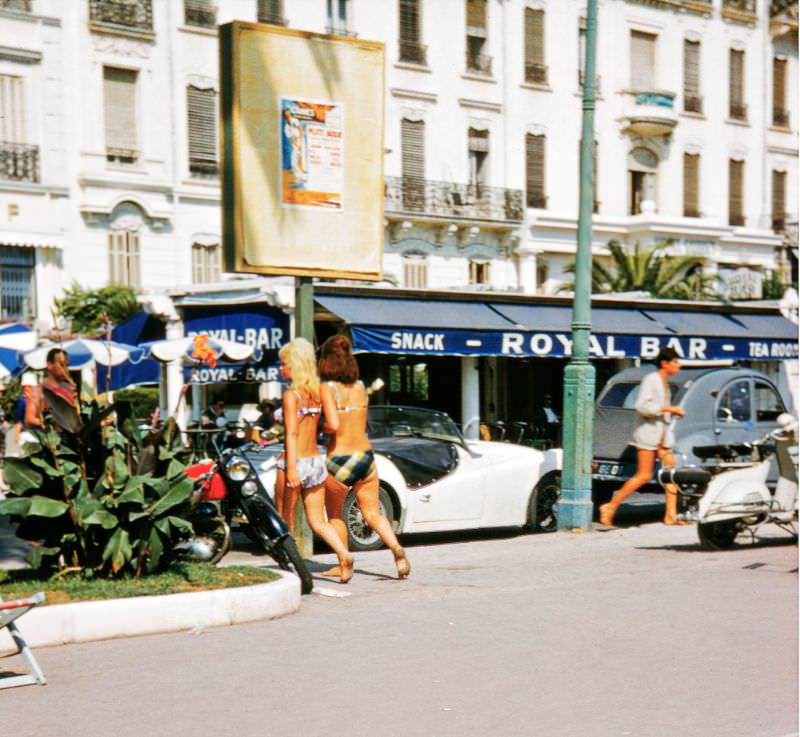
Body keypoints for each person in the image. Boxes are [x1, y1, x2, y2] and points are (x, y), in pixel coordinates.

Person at [319, 335, 410, 580]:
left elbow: (334, 424)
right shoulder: (360, 387)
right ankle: (396, 550)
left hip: (339, 457)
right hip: (365, 455)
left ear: (327, 360)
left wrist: (322, 427)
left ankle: (343, 563)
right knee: (373, 514)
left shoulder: (327, 388)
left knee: (336, 515)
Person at [278, 337, 353, 584]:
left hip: (295, 460)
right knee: (318, 521)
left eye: (284, 364)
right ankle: (343, 555)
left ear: (295, 365)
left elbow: (291, 433)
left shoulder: (292, 395)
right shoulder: (320, 391)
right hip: (315, 461)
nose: (281, 368)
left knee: (284, 519)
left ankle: (288, 567)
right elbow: (333, 423)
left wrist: (290, 469)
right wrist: (317, 427)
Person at [598, 347, 686, 528]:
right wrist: (669, 409)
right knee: (644, 475)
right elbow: (642, 407)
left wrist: (670, 414)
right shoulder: (651, 380)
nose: (679, 366)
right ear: (665, 363)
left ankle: (671, 516)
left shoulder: (664, 382)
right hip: (647, 435)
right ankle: (610, 506)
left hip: (662, 437)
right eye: (676, 362)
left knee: (671, 475)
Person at [25, 348, 81, 433]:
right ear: (49, 365)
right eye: (61, 365)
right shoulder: (39, 390)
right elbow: (29, 419)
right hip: (53, 441)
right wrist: (50, 423)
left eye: (67, 365)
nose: (65, 369)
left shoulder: (70, 388)